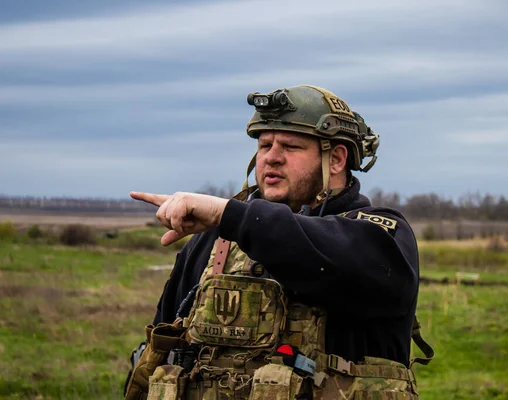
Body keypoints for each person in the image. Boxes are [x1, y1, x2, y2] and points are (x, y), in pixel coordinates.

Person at [124, 85, 432, 399]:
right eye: (264, 144)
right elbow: (161, 350)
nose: (271, 158)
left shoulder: (380, 234)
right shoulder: (213, 242)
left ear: (337, 159)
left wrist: (231, 216)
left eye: (291, 146)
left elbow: (326, 254)